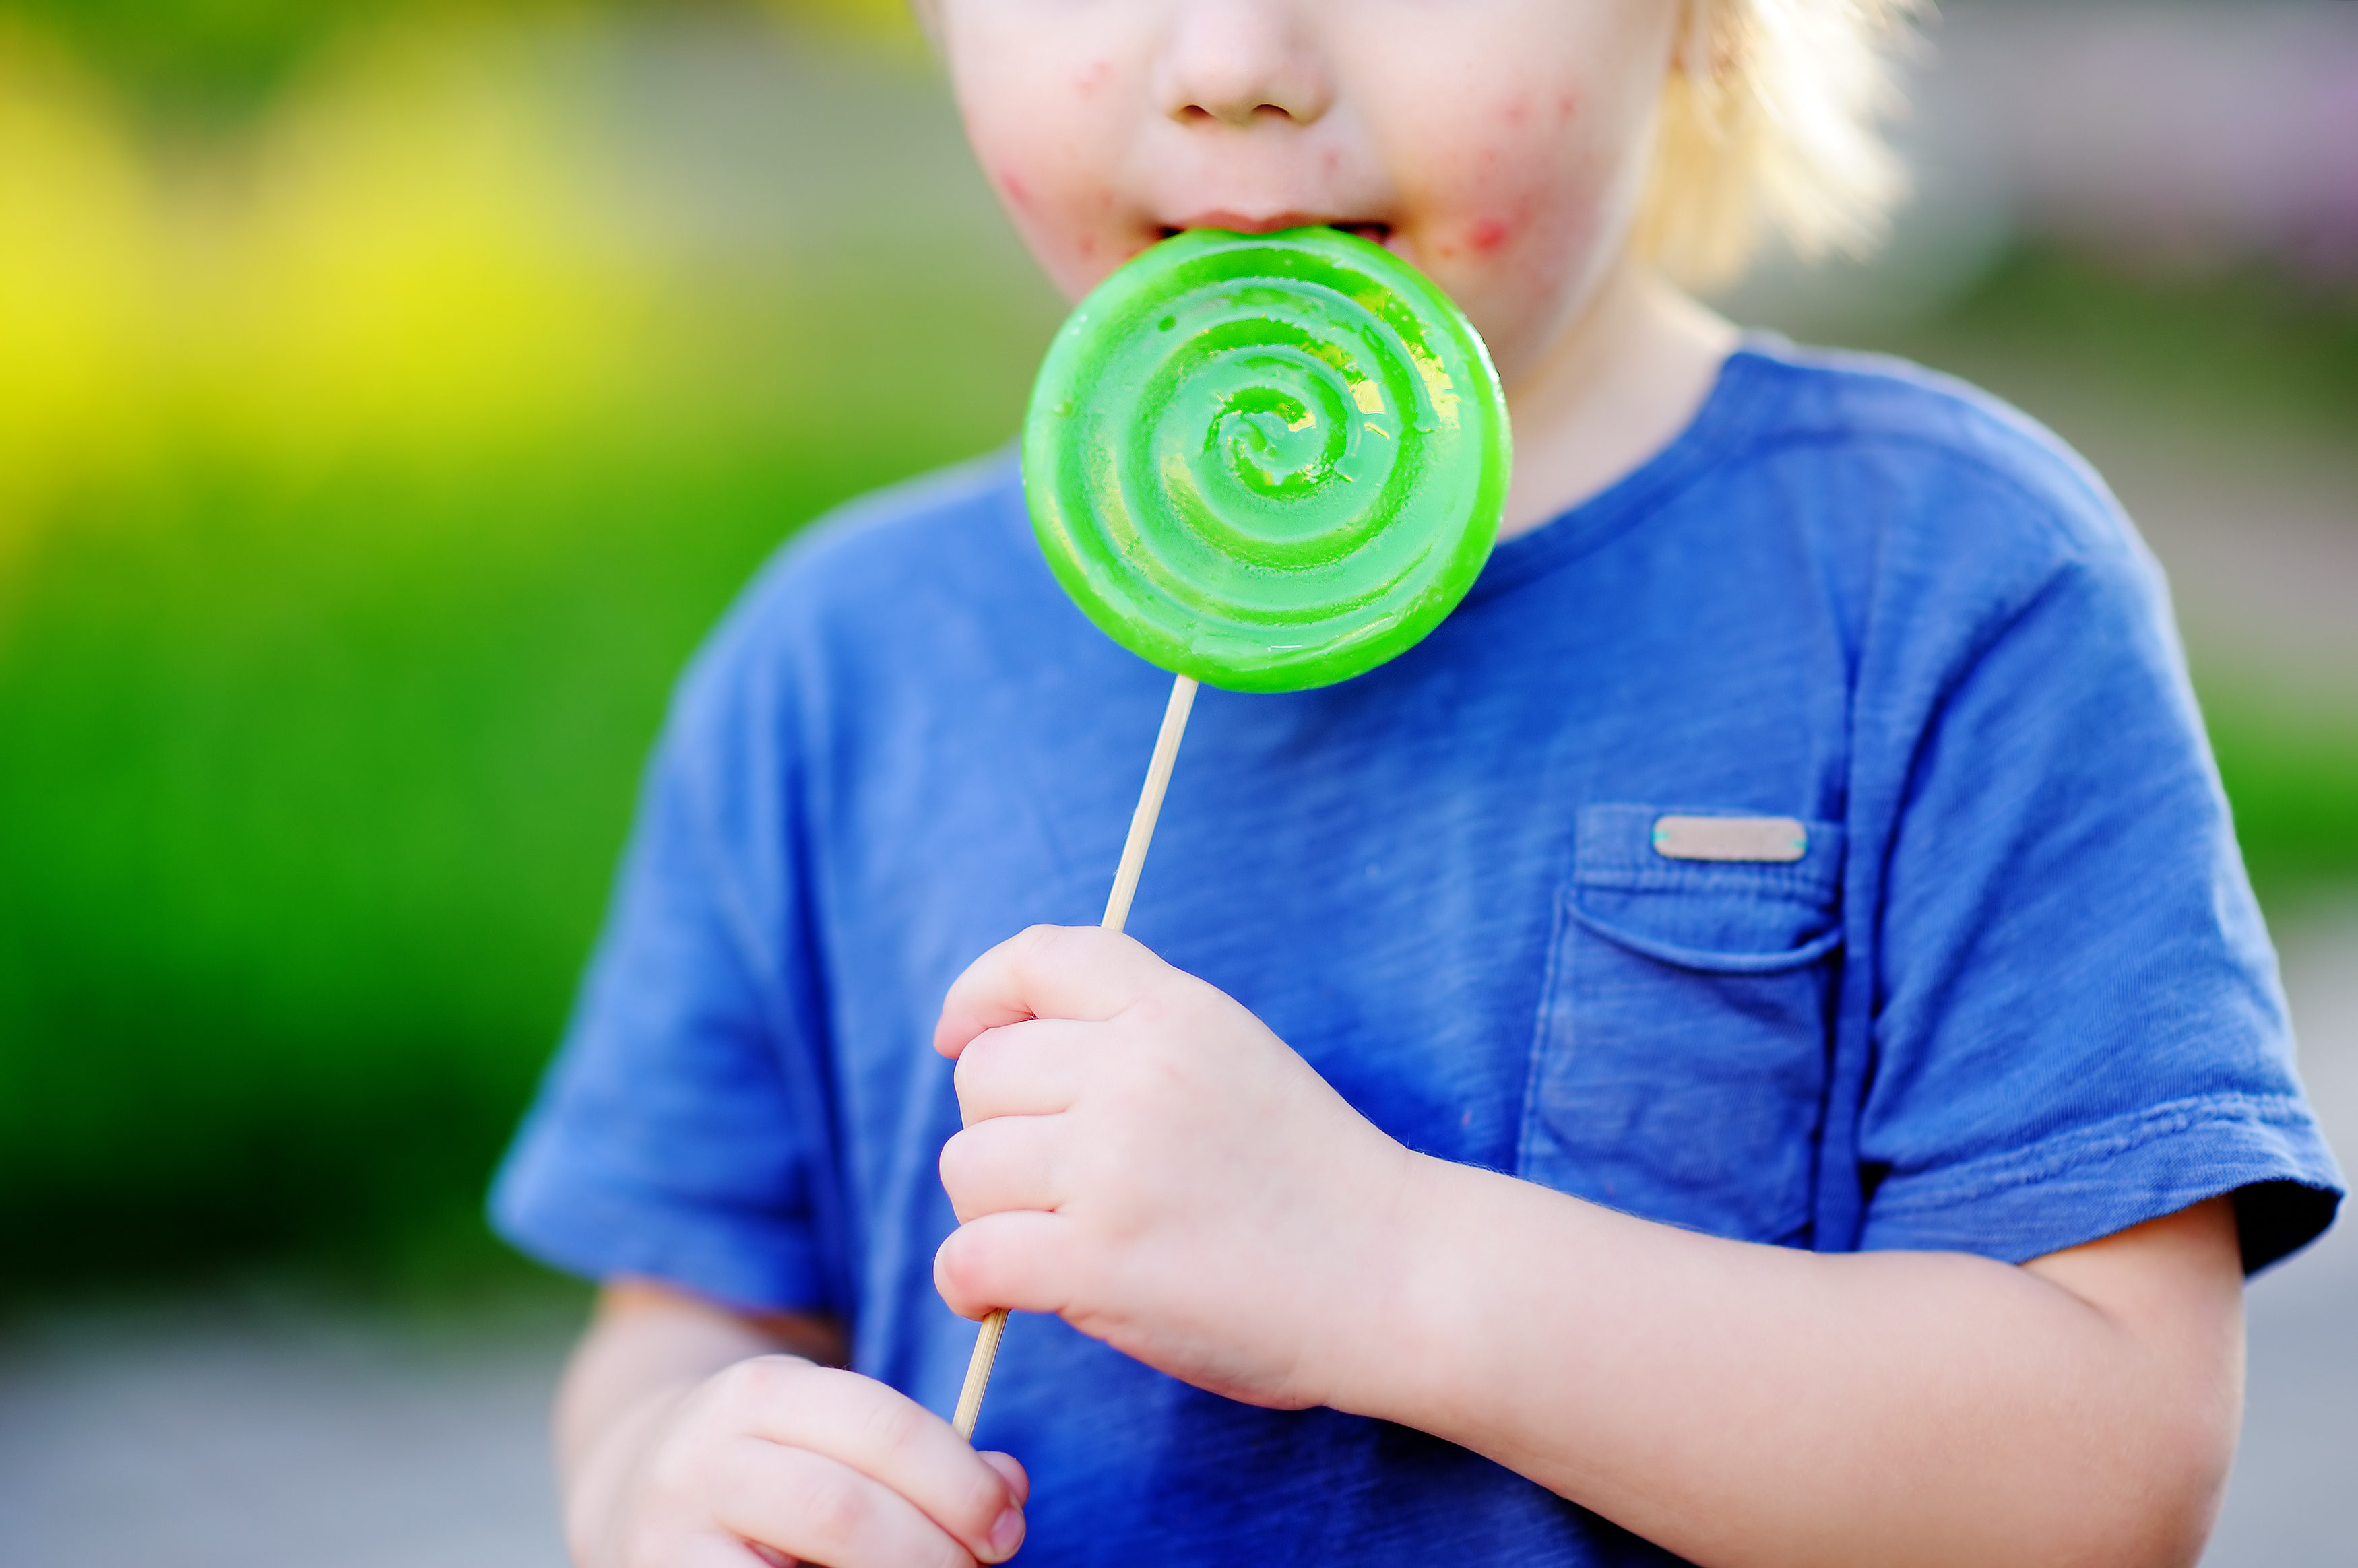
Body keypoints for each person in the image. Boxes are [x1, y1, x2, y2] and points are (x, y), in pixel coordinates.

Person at [492, 2, 2345, 1564]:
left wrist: (1387, 1268)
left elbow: (2105, 1472)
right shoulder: (838, 658)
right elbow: (686, 1323)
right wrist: (676, 1478)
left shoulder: (1943, 586)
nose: (1234, 59)